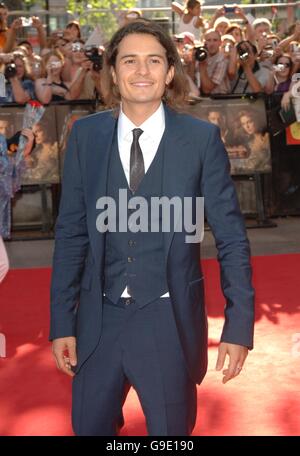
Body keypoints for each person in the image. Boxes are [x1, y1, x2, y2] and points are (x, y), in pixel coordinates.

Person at [50, 20, 254, 436]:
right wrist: (61, 322)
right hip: (98, 322)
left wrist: (239, 327)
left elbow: (231, 238)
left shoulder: (200, 139)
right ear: (112, 72)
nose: (142, 71)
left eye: (154, 61)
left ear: (170, 73)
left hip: (168, 323)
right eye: (130, 60)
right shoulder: (85, 137)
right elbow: (70, 233)